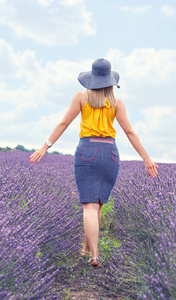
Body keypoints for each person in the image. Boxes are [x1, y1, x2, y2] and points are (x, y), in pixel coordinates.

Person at [29, 58, 158, 267]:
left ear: (91, 79)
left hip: (87, 150)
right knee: (97, 205)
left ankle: (94, 256)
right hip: (110, 153)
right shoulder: (117, 103)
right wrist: (146, 157)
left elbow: (64, 122)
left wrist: (46, 146)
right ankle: (86, 248)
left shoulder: (81, 97)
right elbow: (129, 132)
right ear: (110, 81)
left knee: (89, 206)